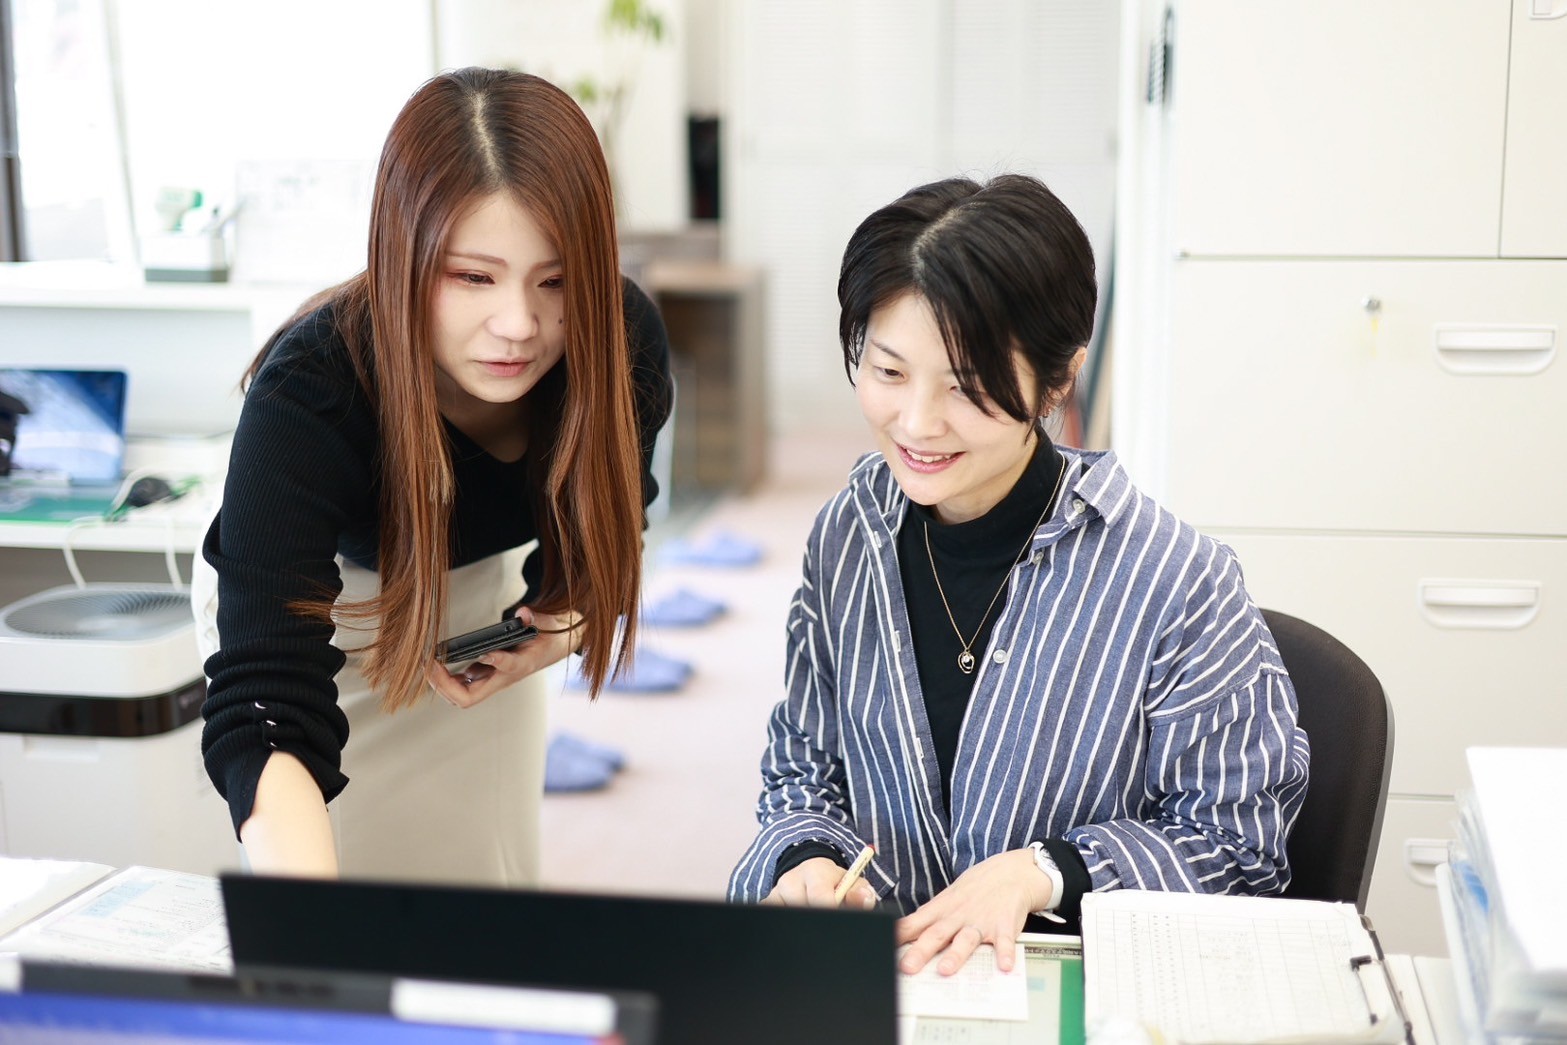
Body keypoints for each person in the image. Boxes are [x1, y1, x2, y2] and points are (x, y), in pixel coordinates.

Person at [727, 174, 1309, 976]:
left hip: (1065, 995)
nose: (916, 423)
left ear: (1057, 379)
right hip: (882, 991)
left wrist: (1047, 871)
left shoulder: (1177, 581)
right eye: (888, 372)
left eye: (966, 387)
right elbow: (803, 764)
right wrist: (805, 857)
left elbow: (1238, 851)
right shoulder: (848, 534)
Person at [194, 67, 673, 884]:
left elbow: (607, 538)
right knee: (344, 890)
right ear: (402, 256)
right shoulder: (313, 388)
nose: (518, 324)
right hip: (320, 611)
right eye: (472, 277)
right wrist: (305, 927)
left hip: (473, 597)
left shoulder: (618, 339)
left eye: (556, 279)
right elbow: (265, 706)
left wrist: (548, 630)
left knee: (488, 881)